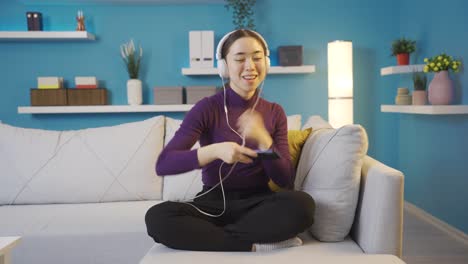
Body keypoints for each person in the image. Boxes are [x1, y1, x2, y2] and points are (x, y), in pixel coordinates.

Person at [145, 29, 315, 252]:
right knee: (157, 217)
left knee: (302, 205)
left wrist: (264, 140)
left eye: (256, 57)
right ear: (224, 66)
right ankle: (253, 243)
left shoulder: (274, 112)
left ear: (266, 62)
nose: (250, 66)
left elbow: (284, 179)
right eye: (239, 59)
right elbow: (164, 164)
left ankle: (220, 239)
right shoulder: (207, 108)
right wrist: (215, 151)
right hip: (212, 203)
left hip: (258, 203)